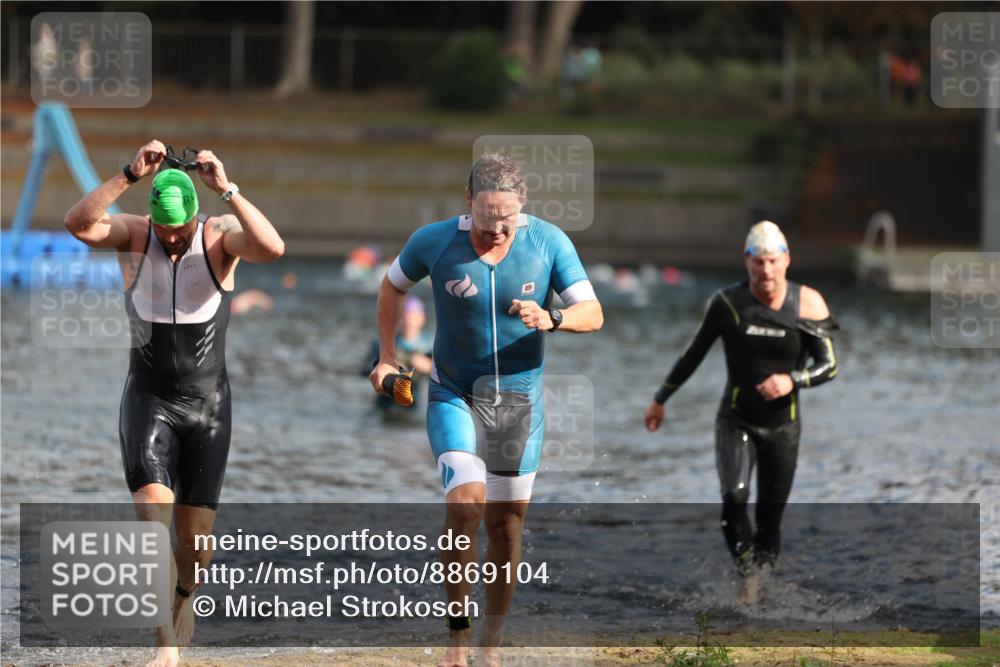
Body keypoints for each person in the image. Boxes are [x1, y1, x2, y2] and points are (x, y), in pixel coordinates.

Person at [369, 153, 603, 667]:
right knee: (465, 505)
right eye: (485, 219)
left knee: (506, 526)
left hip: (518, 401)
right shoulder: (433, 241)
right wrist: (387, 357)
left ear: (521, 209)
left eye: (507, 221)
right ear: (466, 202)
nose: (496, 232)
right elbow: (391, 286)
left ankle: (490, 648)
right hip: (454, 390)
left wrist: (551, 315)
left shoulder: (548, 242)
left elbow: (594, 313)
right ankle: (457, 639)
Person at [64, 140, 284, 667]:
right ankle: (165, 647)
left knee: (195, 543)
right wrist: (127, 176)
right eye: (163, 229)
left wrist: (227, 189)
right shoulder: (135, 236)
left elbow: (272, 248)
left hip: (208, 406)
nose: (169, 238)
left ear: (193, 216)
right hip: (149, 398)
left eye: (177, 230)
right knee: (150, 514)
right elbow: (78, 223)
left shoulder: (217, 237)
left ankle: (185, 599)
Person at [644, 221, 837, 605]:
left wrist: (792, 380)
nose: (765, 271)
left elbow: (828, 365)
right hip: (736, 420)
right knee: (734, 495)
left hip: (783, 427)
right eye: (757, 262)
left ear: (786, 261)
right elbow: (692, 354)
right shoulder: (728, 304)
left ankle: (762, 587)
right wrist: (661, 398)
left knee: (769, 520)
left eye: (772, 261)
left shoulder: (809, 303)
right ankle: (748, 579)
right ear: (746, 262)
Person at [367, 295, 434, 412]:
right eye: (404, 316)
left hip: (414, 404)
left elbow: (447, 374)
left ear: (422, 318)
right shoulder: (383, 344)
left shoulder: (430, 345)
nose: (408, 320)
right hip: (386, 404)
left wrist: (430, 367)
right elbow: (366, 370)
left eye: (413, 316)